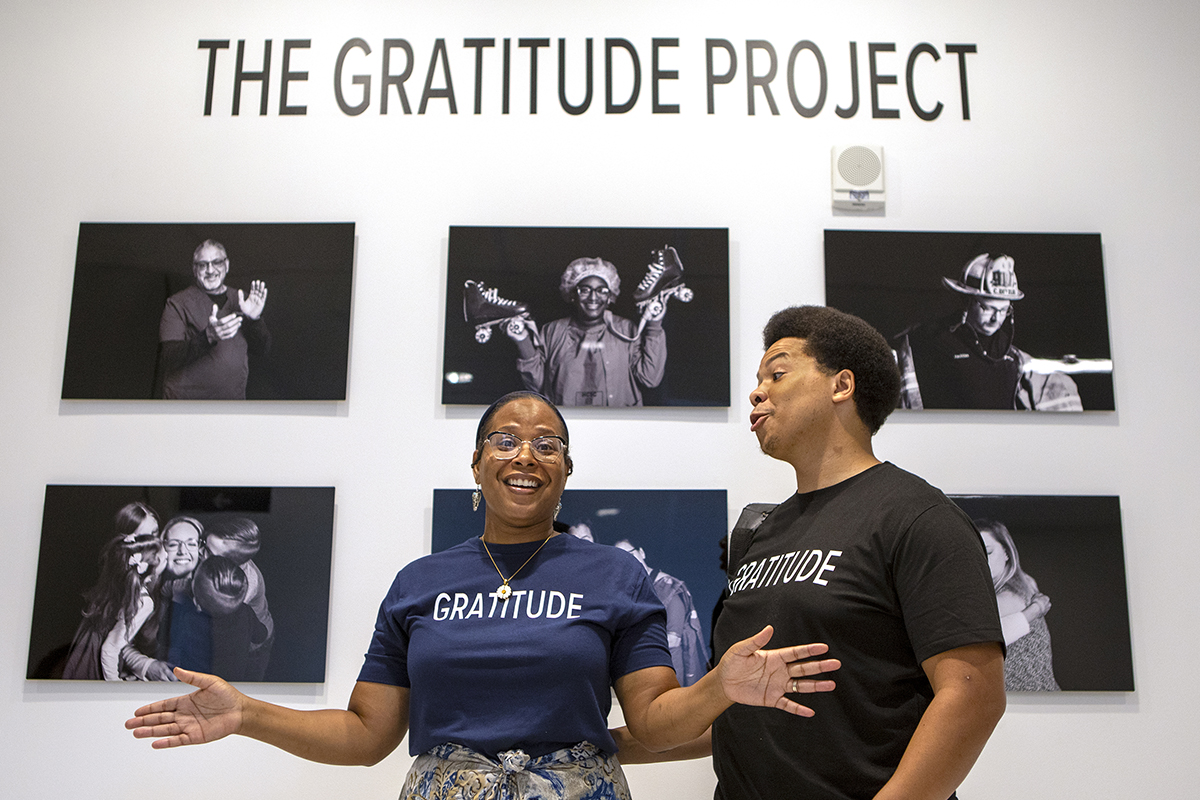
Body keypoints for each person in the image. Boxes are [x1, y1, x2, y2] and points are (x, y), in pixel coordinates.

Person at [126, 391, 841, 800]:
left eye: (547, 444)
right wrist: (248, 712)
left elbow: (653, 723)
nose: (525, 455)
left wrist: (719, 684)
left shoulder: (613, 577)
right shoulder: (419, 583)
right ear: (477, 463)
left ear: (565, 470)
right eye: (504, 439)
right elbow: (368, 735)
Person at [709, 305, 1006, 800]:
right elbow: (748, 709)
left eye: (777, 373)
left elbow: (973, 694)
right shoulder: (759, 533)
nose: (756, 391)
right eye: (759, 379)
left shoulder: (918, 516)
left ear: (841, 386)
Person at [891, 253, 1082, 410]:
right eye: (987, 308)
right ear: (967, 301)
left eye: (1003, 310)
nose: (996, 318)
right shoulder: (934, 340)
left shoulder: (1012, 356)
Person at [507, 254, 671, 406]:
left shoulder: (626, 330)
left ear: (610, 297)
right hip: (570, 424)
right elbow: (536, 385)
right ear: (572, 295)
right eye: (585, 290)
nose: (593, 297)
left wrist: (654, 325)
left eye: (602, 291)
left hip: (619, 425)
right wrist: (522, 340)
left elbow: (651, 378)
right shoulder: (552, 331)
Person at [62, 502, 165, 680]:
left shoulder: (156, 566)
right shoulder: (131, 584)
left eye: (155, 533)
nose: (153, 541)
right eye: (144, 537)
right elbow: (113, 645)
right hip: (98, 656)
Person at [158, 239, 270, 399]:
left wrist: (254, 319)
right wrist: (207, 336)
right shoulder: (177, 304)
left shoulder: (243, 300)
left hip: (231, 404)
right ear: (194, 269)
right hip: (186, 405)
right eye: (203, 264)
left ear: (227, 265)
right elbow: (168, 358)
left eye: (216, 262)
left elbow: (262, 349)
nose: (210, 270)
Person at [976, 518, 1060, 691]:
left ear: (1007, 552)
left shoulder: (1007, 598)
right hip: (1038, 698)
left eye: (989, 552)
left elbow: (978, 643)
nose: (982, 560)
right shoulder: (1025, 582)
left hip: (1027, 700)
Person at [614, 539, 710, 687]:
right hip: (646, 676)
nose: (626, 560)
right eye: (619, 557)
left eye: (629, 553)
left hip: (673, 677)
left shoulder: (670, 588)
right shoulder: (630, 590)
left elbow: (673, 640)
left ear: (642, 552)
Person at [205, 517, 274, 674]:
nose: (202, 554)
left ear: (234, 563)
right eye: (204, 545)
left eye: (211, 554)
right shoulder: (218, 562)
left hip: (254, 644)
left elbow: (212, 614)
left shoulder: (245, 584)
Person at [191, 556, 272, 682]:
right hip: (236, 679)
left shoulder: (193, 623)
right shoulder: (246, 611)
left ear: (196, 600)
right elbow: (261, 635)